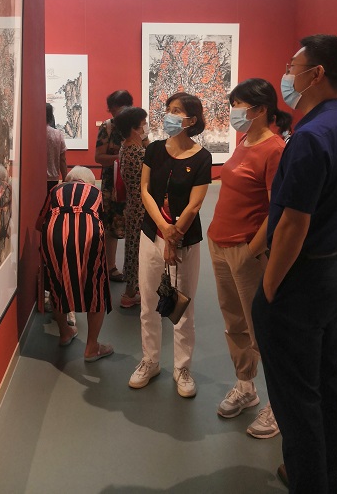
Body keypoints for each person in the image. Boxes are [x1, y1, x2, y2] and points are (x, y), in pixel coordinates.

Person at [252, 35, 337, 493]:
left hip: (302, 279)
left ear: (316, 73)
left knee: (296, 397)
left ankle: (309, 481)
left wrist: (269, 289)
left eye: (292, 65)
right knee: (328, 381)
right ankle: (328, 477)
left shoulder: (310, 137)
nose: (287, 73)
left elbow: (292, 225)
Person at [207, 79, 286, 438]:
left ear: (261, 109)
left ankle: (280, 405)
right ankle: (246, 386)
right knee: (234, 321)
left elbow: (278, 209)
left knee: (263, 329)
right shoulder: (244, 142)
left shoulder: (275, 149)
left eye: (239, 105)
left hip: (246, 250)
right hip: (220, 244)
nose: (234, 112)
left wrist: (253, 250)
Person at [129, 92, 212, 398]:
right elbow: (145, 190)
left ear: (191, 119)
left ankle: (182, 367)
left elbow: (195, 204)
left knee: (183, 305)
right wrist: (164, 229)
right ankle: (150, 361)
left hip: (186, 239)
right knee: (149, 302)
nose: (169, 115)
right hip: (152, 234)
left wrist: (174, 236)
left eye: (177, 111)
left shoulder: (202, 157)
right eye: (168, 109)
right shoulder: (153, 150)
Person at [37, 166, 113, 361]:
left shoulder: (55, 190)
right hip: (89, 231)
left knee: (57, 281)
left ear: (69, 180)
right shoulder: (95, 192)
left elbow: (39, 223)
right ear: (89, 182)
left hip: (54, 233)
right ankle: (92, 347)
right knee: (95, 285)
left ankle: (65, 333)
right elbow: (102, 221)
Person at [95, 90, 134, 282]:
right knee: (111, 224)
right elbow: (99, 157)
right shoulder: (108, 127)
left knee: (135, 224)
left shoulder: (138, 125)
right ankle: (110, 267)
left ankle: (134, 268)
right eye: (112, 111)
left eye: (117, 110)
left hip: (135, 183)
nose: (115, 114)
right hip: (112, 185)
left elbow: (148, 149)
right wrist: (121, 158)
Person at [113, 106, 149, 308]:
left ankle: (131, 290)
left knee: (133, 246)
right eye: (143, 124)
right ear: (134, 129)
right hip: (142, 206)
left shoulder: (125, 148)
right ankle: (132, 291)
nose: (146, 127)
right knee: (139, 249)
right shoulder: (138, 153)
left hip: (133, 205)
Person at [46, 103, 67, 192]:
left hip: (36, 177)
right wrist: (65, 178)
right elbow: (62, 159)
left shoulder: (34, 133)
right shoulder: (58, 134)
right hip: (53, 178)